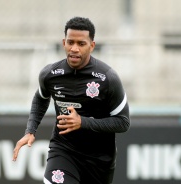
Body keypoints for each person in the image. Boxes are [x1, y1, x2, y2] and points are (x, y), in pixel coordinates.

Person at [13, 17, 130, 184]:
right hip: (63, 150)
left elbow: (123, 122)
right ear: (64, 42)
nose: (74, 48)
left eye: (81, 44)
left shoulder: (108, 78)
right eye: (70, 42)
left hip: (99, 159)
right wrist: (30, 130)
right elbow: (41, 98)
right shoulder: (50, 74)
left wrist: (82, 122)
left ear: (92, 45)